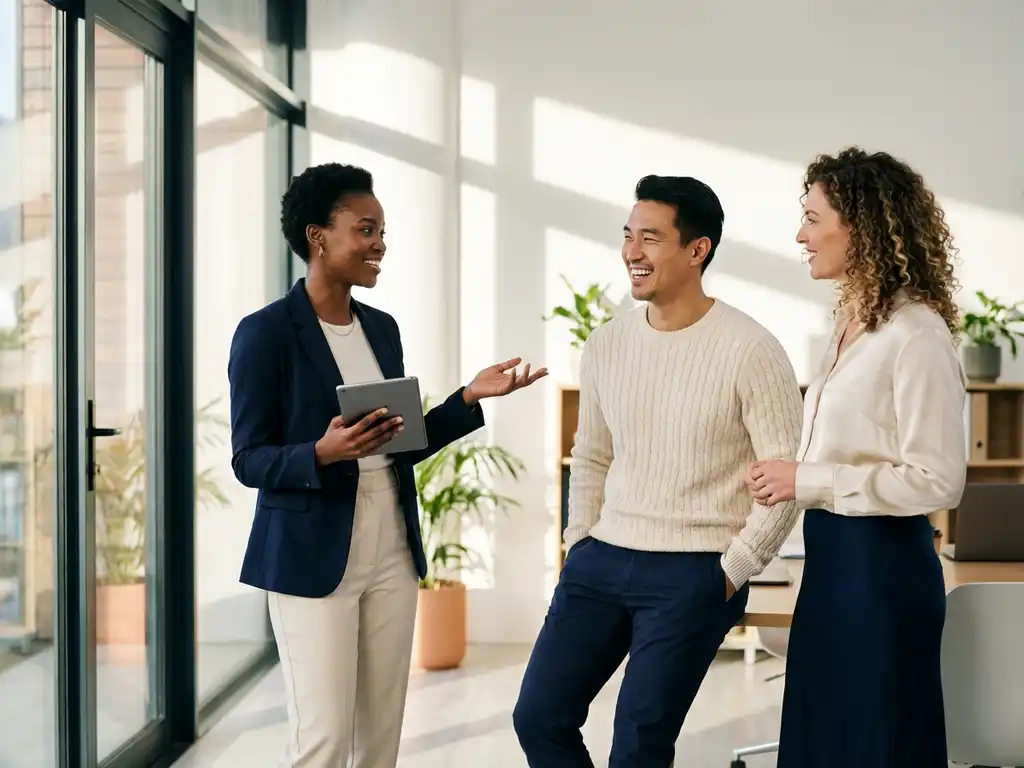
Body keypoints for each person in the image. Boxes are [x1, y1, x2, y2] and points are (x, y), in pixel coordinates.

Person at [227, 162, 546, 768]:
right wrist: (320, 453)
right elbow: (248, 458)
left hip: (390, 549)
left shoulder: (381, 328)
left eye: (382, 231)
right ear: (318, 237)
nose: (379, 245)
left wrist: (467, 400)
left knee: (380, 738)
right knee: (321, 739)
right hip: (310, 554)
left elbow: (400, 441)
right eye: (365, 230)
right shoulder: (266, 333)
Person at [512, 175, 804, 767]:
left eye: (650, 238)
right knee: (539, 717)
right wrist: (578, 542)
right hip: (602, 559)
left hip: (695, 570)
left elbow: (786, 477)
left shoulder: (752, 349)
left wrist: (733, 570)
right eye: (627, 236)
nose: (631, 252)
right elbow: (591, 454)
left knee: (639, 743)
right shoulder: (608, 344)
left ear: (697, 250)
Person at [750, 147, 966, 768]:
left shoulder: (915, 333)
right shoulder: (851, 324)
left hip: (883, 577)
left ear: (862, 225)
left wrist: (807, 480)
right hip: (831, 571)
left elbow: (938, 479)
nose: (801, 234)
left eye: (813, 218)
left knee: (878, 748)